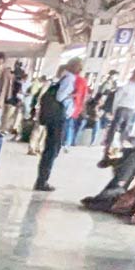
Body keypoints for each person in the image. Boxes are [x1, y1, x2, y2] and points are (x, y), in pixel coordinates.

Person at [35, 57, 81, 192]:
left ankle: (42, 179)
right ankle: (42, 181)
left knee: (51, 148)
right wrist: (72, 96)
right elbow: (60, 97)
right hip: (57, 118)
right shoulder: (69, 79)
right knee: (53, 149)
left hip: (53, 117)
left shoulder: (62, 77)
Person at [105, 69, 135, 155]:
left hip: (124, 108)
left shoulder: (129, 86)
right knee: (124, 128)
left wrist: (114, 109)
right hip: (128, 109)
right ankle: (117, 145)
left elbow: (117, 98)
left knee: (117, 127)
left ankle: (112, 144)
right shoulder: (134, 87)